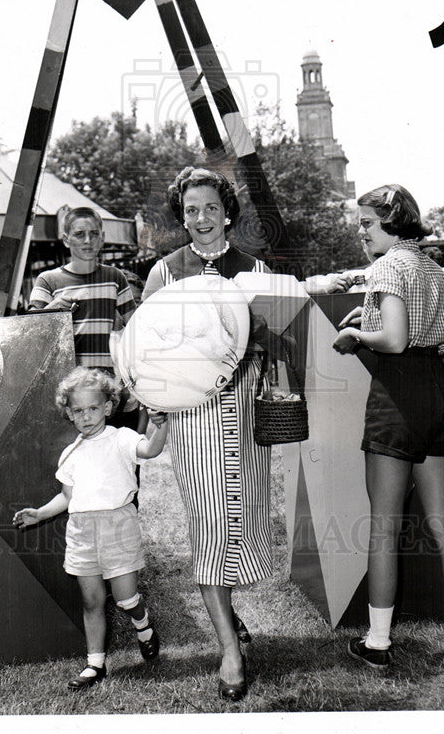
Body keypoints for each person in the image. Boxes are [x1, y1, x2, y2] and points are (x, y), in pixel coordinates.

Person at [141, 166, 287, 702]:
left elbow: (273, 337)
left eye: (209, 208)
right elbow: (146, 346)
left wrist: (257, 345)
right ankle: (228, 648)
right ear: (182, 217)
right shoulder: (165, 272)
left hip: (244, 409)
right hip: (193, 413)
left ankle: (227, 614)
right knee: (208, 523)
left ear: (228, 213)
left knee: (238, 520)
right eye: (190, 211)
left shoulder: (252, 267)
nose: (200, 219)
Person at [332, 184, 444, 670]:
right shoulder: (430, 267)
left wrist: (358, 333)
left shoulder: (386, 266)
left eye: (367, 224)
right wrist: (372, 314)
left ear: (392, 222)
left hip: (397, 396)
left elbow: (394, 341)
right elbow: (439, 333)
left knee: (383, 529)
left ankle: (377, 643)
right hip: (438, 393)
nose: (361, 232)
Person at [13, 367, 168, 688]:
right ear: (68, 413)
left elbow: (151, 450)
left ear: (108, 407)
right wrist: (39, 514)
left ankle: (143, 625)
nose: (86, 416)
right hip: (82, 533)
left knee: (126, 599)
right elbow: (67, 496)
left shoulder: (122, 438)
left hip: (118, 527)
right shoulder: (70, 454)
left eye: (93, 408)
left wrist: (160, 427)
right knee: (92, 601)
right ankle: (95, 664)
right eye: (78, 411)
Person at [28, 206, 140, 430]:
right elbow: (29, 332)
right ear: (66, 239)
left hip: (107, 392)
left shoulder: (115, 278)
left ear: (102, 238)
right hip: (69, 393)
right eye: (79, 234)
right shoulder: (48, 280)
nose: (88, 240)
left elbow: (138, 329)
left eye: (94, 234)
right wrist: (50, 310)